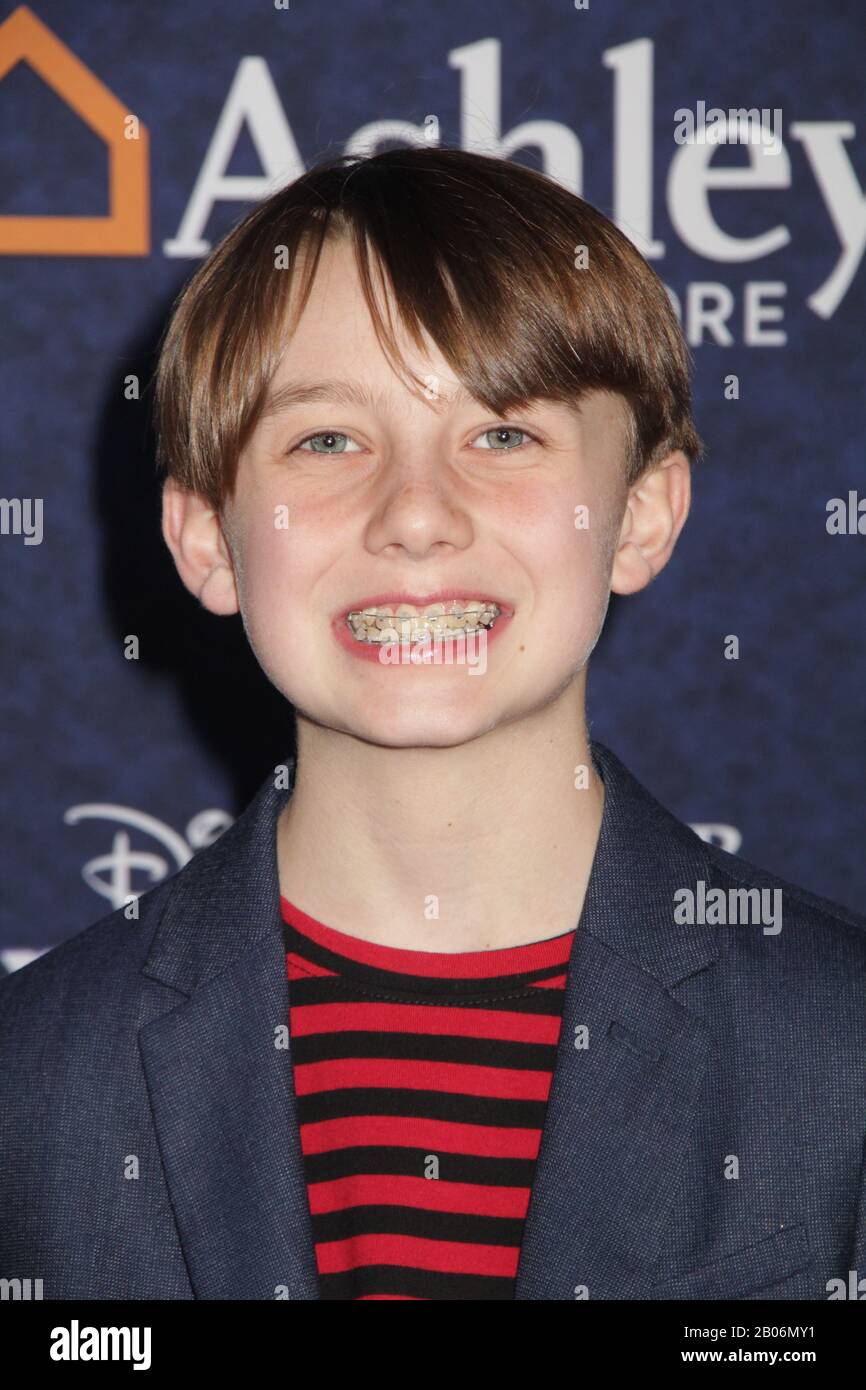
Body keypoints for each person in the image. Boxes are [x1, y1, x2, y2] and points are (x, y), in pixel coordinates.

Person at [2, 146, 864, 1302]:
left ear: (640, 515)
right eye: (326, 439)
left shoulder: (838, 1050)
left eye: (501, 433)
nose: (415, 514)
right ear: (207, 535)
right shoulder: (36, 1080)